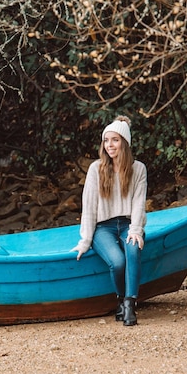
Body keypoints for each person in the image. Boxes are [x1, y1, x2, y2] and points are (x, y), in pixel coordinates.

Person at [72, 115, 147, 326]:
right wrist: (85, 240)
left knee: (132, 249)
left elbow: (139, 203)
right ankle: (120, 299)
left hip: (127, 224)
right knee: (117, 261)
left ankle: (129, 304)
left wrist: (136, 230)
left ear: (125, 142)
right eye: (106, 140)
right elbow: (88, 208)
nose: (109, 145)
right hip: (103, 228)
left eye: (114, 140)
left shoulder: (138, 169)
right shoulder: (96, 169)